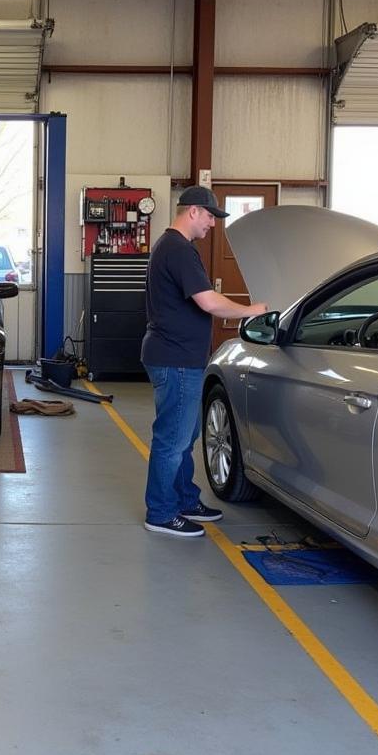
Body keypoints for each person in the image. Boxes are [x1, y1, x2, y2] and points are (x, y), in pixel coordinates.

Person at [141, 186, 268, 538]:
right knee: (173, 438)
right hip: (176, 358)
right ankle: (162, 512)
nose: (213, 224)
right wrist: (252, 311)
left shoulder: (174, 247)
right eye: (211, 216)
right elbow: (209, 302)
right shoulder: (178, 249)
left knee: (186, 434)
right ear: (193, 211)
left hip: (176, 356)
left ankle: (184, 498)